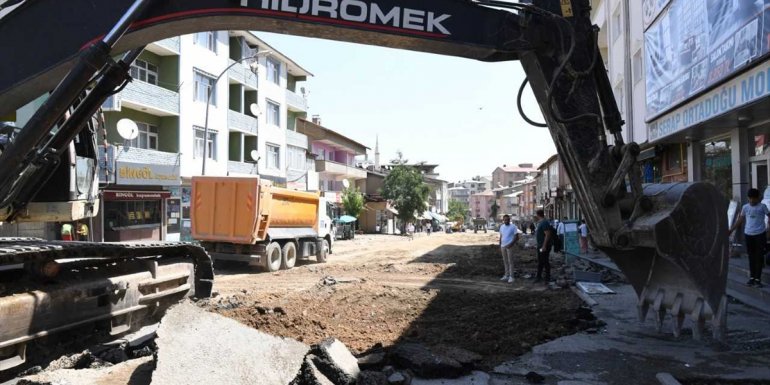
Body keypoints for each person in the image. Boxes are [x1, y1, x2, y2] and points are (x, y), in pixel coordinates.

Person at [729, 188, 769, 287]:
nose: (751, 201)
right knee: (751, 256)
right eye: (750, 198)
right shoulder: (745, 207)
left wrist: (768, 229)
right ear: (748, 198)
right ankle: (752, 278)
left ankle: (758, 279)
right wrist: (731, 229)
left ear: (758, 198)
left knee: (759, 256)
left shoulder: (762, 207)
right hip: (748, 234)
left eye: (753, 199)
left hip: (760, 234)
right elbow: (740, 220)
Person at [534, 209, 554, 283]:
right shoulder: (541, 222)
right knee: (540, 261)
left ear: (538, 215)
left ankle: (547, 277)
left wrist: (544, 246)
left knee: (545, 261)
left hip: (544, 246)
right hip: (541, 246)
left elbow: (547, 235)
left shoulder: (544, 223)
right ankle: (539, 276)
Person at [498, 214, 519, 284]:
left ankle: (511, 276)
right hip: (503, 246)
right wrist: (500, 244)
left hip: (510, 246)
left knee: (510, 262)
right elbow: (501, 236)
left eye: (507, 220)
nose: (506, 221)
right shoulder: (501, 227)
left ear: (510, 220)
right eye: (505, 220)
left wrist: (511, 244)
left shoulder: (513, 227)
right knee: (505, 261)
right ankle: (506, 275)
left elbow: (517, 237)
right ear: (503, 220)